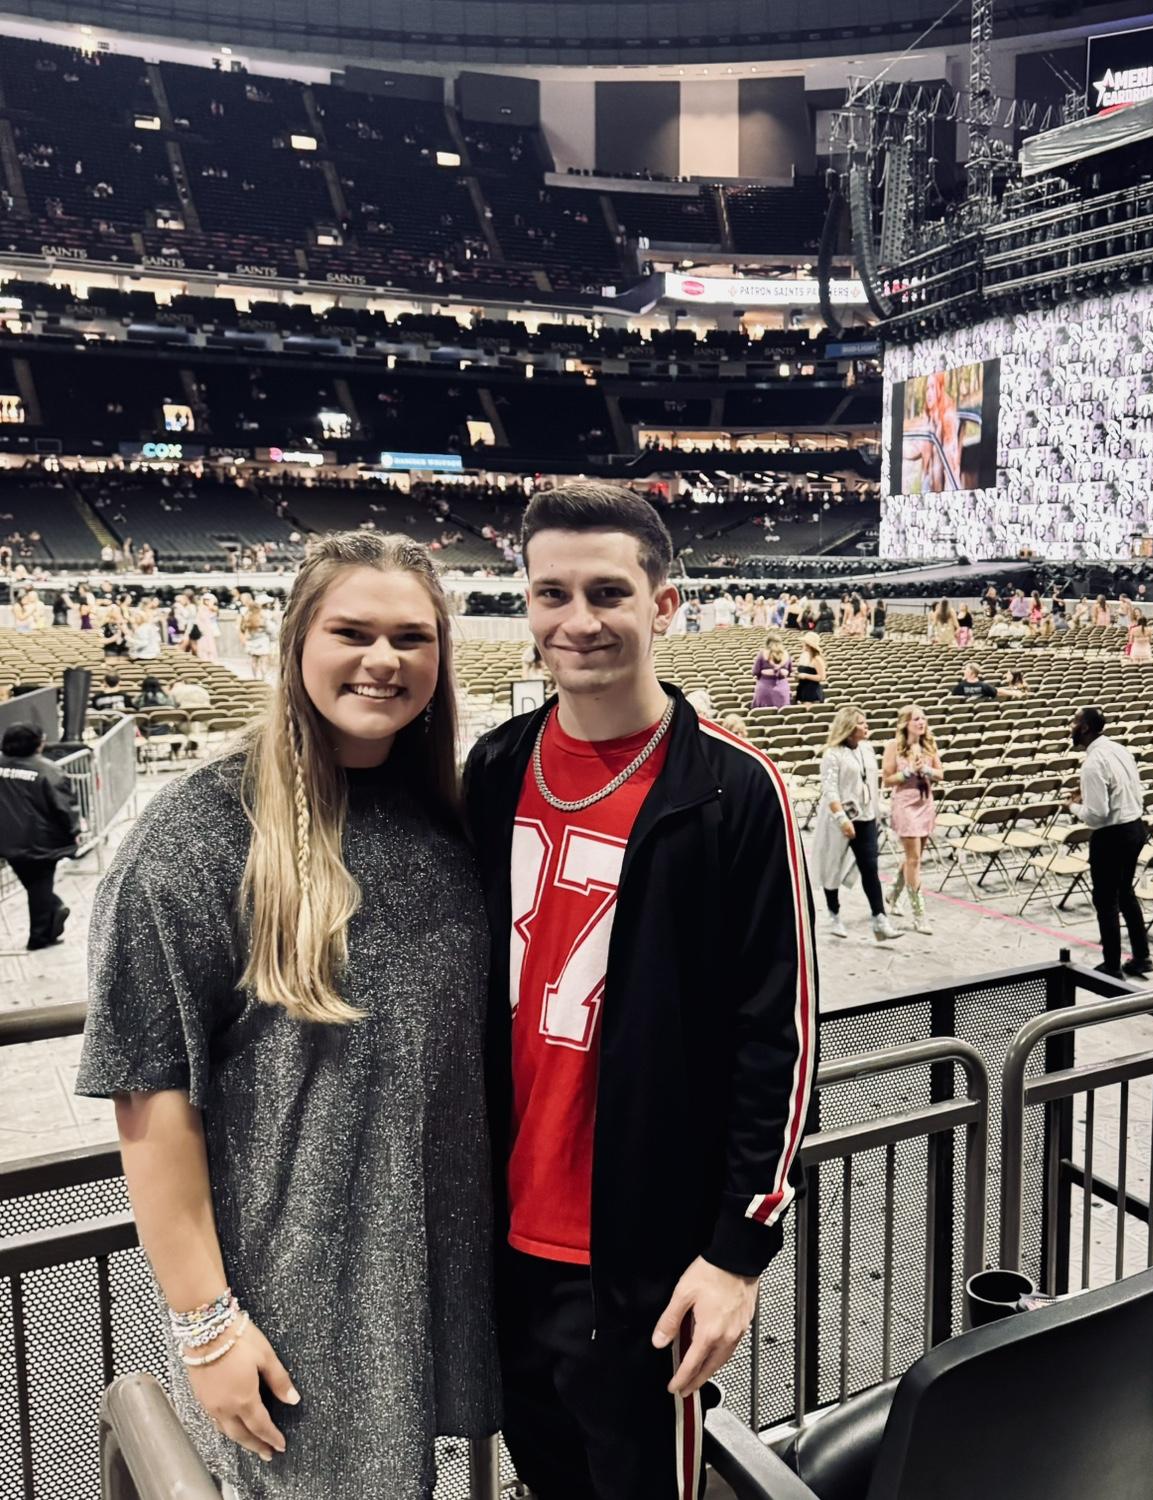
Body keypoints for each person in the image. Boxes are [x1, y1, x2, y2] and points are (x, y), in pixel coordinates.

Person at [74, 531, 502, 1498]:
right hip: (300, 1298)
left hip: (448, 1269)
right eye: (352, 632)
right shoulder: (195, 837)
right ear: (297, 640)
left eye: (412, 637)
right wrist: (206, 1325)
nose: (384, 660)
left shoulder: (452, 819)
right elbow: (149, 1100)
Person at [462, 482, 815, 1500]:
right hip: (504, 1243)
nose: (577, 620)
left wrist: (738, 1253)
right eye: (552, 593)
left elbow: (778, 1037)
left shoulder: (733, 789)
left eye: (607, 592)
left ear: (663, 604)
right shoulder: (497, 766)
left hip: (640, 1262)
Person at [1068, 706, 1152, 979]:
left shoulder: (1092, 763)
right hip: (1135, 827)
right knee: (1125, 893)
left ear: (1085, 728)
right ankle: (1141, 957)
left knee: (1106, 900)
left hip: (1112, 836)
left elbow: (1097, 815)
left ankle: (1112, 966)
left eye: (1074, 723)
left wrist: (1072, 807)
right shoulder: (1119, 749)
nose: (1070, 727)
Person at [812, 706, 901, 942]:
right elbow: (830, 790)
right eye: (861, 722)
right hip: (839, 820)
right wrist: (842, 818)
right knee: (832, 868)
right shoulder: (832, 754)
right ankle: (834, 913)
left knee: (870, 868)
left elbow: (871, 783)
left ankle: (880, 918)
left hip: (866, 817)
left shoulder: (867, 748)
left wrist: (878, 810)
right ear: (849, 727)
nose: (866, 725)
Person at [0, 722, 79, 949]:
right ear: (37, 744)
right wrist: (74, 831)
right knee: (39, 886)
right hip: (40, 839)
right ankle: (40, 936)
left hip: (7, 838)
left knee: (34, 885)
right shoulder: (48, 771)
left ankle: (53, 911)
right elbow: (64, 807)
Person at [883, 705, 942, 935]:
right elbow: (887, 779)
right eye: (916, 719)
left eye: (923, 718)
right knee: (914, 860)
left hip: (925, 803)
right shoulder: (893, 746)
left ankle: (893, 893)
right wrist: (908, 772)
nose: (921, 722)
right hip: (905, 805)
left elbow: (941, 774)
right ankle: (919, 915)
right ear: (905, 723)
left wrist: (926, 770)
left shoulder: (929, 745)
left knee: (913, 858)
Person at [752, 634, 792, 708]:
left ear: (767, 643)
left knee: (763, 712)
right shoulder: (787, 654)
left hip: (765, 688)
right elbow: (790, 672)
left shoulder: (762, 654)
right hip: (782, 689)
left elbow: (755, 671)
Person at [239, 602, 273, 680]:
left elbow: (242, 629)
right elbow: (270, 629)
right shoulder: (262, 618)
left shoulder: (246, 617)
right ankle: (263, 677)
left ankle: (255, 677)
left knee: (254, 661)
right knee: (263, 661)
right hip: (262, 641)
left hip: (251, 642)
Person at [794, 633, 827, 703]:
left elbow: (822, 677)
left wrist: (806, 676)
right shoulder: (803, 655)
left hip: (812, 690)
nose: (802, 644)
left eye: (804, 642)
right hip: (802, 688)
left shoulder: (817, 658)